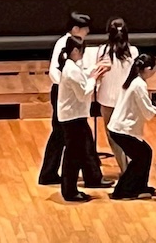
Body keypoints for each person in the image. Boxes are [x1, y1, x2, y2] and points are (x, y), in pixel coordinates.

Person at [38, 12, 112, 187]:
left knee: (68, 137)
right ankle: (89, 176)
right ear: (76, 28)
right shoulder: (65, 45)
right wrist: (75, 83)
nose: (87, 32)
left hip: (70, 91)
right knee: (71, 138)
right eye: (85, 29)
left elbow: (78, 73)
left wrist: (90, 73)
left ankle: (54, 173)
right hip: (65, 93)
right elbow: (57, 73)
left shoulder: (73, 46)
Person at [108, 54, 156, 200]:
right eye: (155, 69)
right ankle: (123, 191)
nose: (155, 72)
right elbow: (147, 111)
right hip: (122, 129)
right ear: (148, 69)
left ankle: (139, 187)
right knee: (141, 156)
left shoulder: (134, 79)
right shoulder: (139, 84)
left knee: (144, 154)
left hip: (119, 127)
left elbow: (145, 106)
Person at [57, 35, 111, 201]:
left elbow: (82, 75)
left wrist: (95, 70)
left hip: (75, 116)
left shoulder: (72, 66)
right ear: (75, 50)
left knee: (83, 149)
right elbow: (82, 94)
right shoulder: (71, 70)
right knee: (73, 156)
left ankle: (91, 179)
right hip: (72, 118)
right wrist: (94, 78)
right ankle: (70, 191)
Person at [94, 17, 139, 174]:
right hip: (125, 101)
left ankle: (124, 169)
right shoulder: (134, 52)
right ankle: (130, 169)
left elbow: (98, 75)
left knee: (112, 136)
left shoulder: (102, 51)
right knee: (127, 135)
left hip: (106, 99)